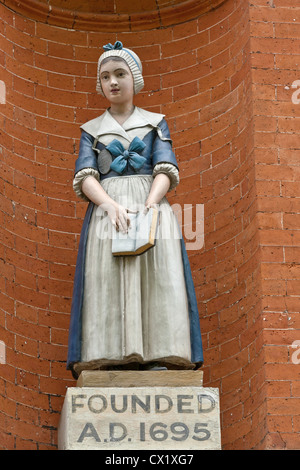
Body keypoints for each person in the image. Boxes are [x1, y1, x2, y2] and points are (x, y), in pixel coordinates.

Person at [67, 41, 203, 379]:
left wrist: (150, 204)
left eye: (119, 74)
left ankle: (158, 350)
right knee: (106, 278)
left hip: (149, 202)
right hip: (108, 208)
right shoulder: (92, 130)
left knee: (158, 277)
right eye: (105, 77)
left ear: (134, 79)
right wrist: (109, 204)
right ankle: (108, 351)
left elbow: (165, 169)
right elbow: (86, 176)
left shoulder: (155, 123)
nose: (112, 82)